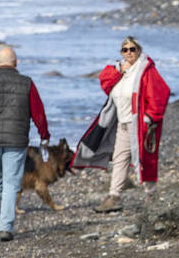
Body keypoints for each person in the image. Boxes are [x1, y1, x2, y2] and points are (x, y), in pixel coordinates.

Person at [71, 36, 170, 212]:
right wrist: (118, 69)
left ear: (139, 50)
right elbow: (104, 81)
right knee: (119, 160)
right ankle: (114, 197)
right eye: (125, 50)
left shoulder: (146, 71)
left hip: (140, 125)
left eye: (133, 49)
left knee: (146, 159)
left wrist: (150, 117)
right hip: (123, 125)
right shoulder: (120, 71)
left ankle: (151, 195)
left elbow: (161, 93)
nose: (129, 53)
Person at [0, 45, 50, 241]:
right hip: (16, 139)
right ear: (16, 63)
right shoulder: (26, 83)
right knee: (11, 183)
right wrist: (44, 134)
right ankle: (5, 227)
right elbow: (38, 113)